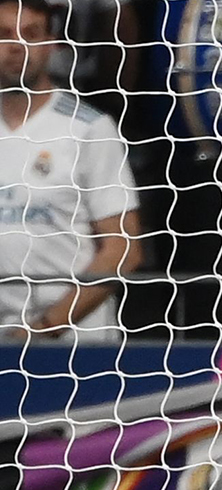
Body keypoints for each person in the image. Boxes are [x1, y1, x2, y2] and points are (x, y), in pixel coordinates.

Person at [0, 0, 140, 343]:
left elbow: (123, 248)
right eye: (4, 35)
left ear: (51, 43)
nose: (17, 46)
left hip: (75, 346)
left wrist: (45, 328)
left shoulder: (89, 128)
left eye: (30, 34)